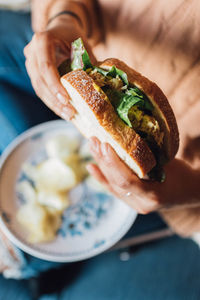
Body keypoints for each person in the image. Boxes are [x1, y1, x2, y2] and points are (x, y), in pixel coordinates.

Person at [0, 0, 200, 299]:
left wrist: (191, 189)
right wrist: (64, 18)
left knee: (16, 254)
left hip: (178, 178)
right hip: (79, 49)